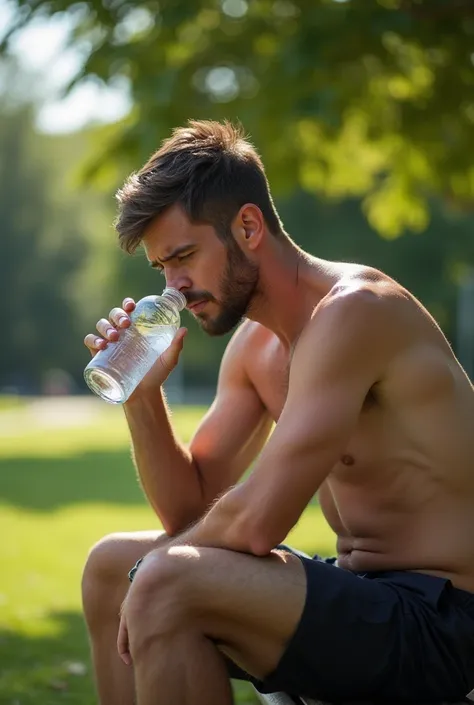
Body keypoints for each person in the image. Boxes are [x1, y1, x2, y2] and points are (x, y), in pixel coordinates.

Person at [82, 120, 474, 705]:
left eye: (184, 256)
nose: (174, 288)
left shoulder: (357, 313)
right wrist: (142, 399)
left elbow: (254, 525)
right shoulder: (255, 348)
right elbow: (192, 512)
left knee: (162, 579)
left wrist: (157, 570)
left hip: (445, 623)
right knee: (112, 567)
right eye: (162, 267)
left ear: (247, 226)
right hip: (364, 597)